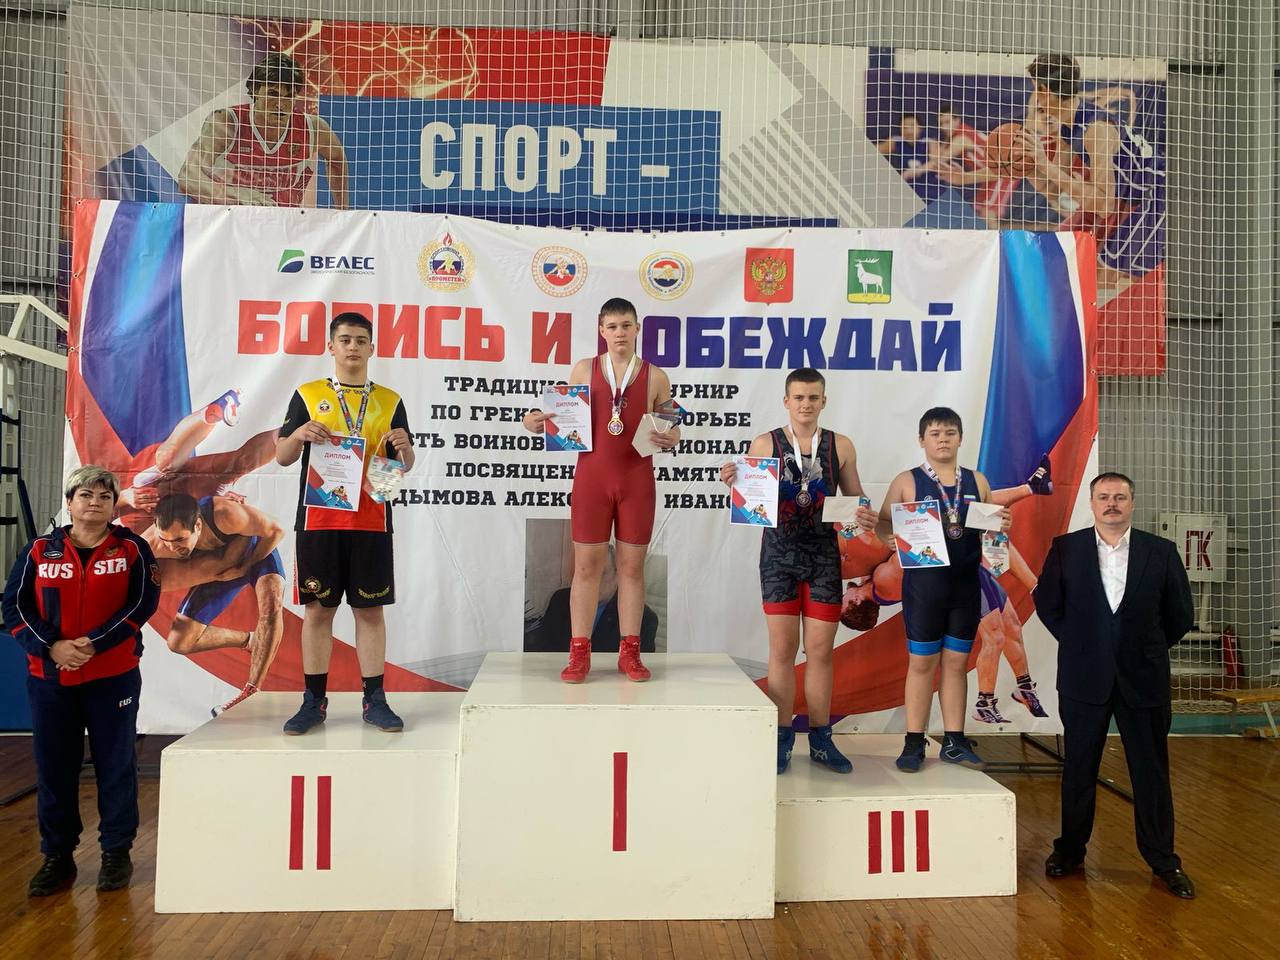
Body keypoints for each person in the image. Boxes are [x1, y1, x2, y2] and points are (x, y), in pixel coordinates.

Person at [1033, 472, 1196, 898]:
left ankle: (1164, 861)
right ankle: (1069, 852)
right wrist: (1082, 643)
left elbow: (1181, 614)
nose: (1112, 504)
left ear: (1132, 503)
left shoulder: (1161, 552)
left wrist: (1144, 648)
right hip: (1084, 678)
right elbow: (1047, 604)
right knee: (1079, 769)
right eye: (1104, 496)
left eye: (1120, 497)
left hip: (1143, 679)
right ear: (1092, 503)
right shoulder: (1066, 549)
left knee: (1151, 772)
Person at [2, 466, 161, 896]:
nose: (95, 503)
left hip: (113, 677)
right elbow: (14, 607)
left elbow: (142, 604)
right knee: (55, 768)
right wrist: (53, 647)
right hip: (50, 679)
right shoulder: (39, 551)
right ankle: (57, 857)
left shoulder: (133, 549)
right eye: (86, 495)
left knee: (116, 765)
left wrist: (94, 644)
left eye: (104, 497)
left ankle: (116, 853)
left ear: (113, 505)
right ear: (70, 502)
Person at [719, 368, 877, 774]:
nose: (806, 404)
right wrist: (732, 483)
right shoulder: (765, 443)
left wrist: (863, 513)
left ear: (824, 401)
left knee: (820, 652)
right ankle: (780, 737)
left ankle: (821, 739)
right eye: (799, 397)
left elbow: (856, 497)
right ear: (786, 401)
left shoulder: (841, 445)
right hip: (778, 558)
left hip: (824, 559)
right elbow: (751, 496)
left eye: (813, 397)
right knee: (782, 652)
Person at [521, 297, 679, 683]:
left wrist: (671, 437)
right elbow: (559, 415)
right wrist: (533, 420)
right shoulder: (584, 369)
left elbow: (672, 427)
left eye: (626, 325)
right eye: (612, 326)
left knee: (631, 569)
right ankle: (579, 653)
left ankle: (630, 653)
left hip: (636, 482)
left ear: (637, 328)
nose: (619, 333)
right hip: (592, 480)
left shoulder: (656, 377)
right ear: (601, 330)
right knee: (586, 568)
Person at [276, 311, 415, 734]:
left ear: (372, 348)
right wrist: (299, 435)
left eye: (360, 340)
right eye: (345, 340)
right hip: (319, 520)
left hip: (372, 519)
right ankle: (313, 702)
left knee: (369, 610)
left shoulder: (390, 400)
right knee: (319, 610)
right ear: (331, 347)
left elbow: (401, 466)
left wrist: (405, 450)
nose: (353, 346)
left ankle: (375, 700)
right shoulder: (308, 394)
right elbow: (282, 456)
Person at [876, 407, 1011, 773]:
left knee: (956, 663)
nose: (943, 440)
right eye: (935, 434)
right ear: (922, 440)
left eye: (950, 433)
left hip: (965, 587)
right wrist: (888, 537)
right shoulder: (907, 480)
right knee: (922, 663)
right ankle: (913, 741)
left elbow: (991, 532)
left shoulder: (977, 481)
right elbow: (883, 522)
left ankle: (954, 740)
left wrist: (1001, 525)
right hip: (924, 589)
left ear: (960, 438)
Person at [1019, 54, 1164, 298]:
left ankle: (1116, 324)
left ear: (1045, 92)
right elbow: (1052, 188)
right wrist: (1024, 166)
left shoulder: (1096, 129)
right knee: (1059, 250)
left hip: (1156, 194)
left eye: (1035, 89)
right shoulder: (1068, 126)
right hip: (1125, 197)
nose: (1034, 97)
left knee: (1105, 275)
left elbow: (1105, 205)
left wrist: (1045, 164)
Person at [145, 493, 286, 717]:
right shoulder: (152, 543)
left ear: (198, 525)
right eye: (166, 540)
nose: (172, 548)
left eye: (180, 540)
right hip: (223, 568)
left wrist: (245, 566)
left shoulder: (224, 514)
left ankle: (251, 692)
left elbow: (276, 530)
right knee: (179, 642)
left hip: (254, 551)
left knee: (272, 603)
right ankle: (251, 641)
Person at [178, 52, 349, 208]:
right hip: (231, 218)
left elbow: (337, 160)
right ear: (255, 91)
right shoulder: (227, 121)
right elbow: (188, 176)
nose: (280, 105)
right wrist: (235, 195)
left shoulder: (313, 128)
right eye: (273, 94)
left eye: (289, 96)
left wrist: (342, 210)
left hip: (282, 220)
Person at [525, 545, 660, 654]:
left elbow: (639, 669)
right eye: (587, 572)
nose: (593, 582)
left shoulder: (643, 618)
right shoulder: (560, 601)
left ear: (618, 576)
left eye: (601, 574)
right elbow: (543, 650)